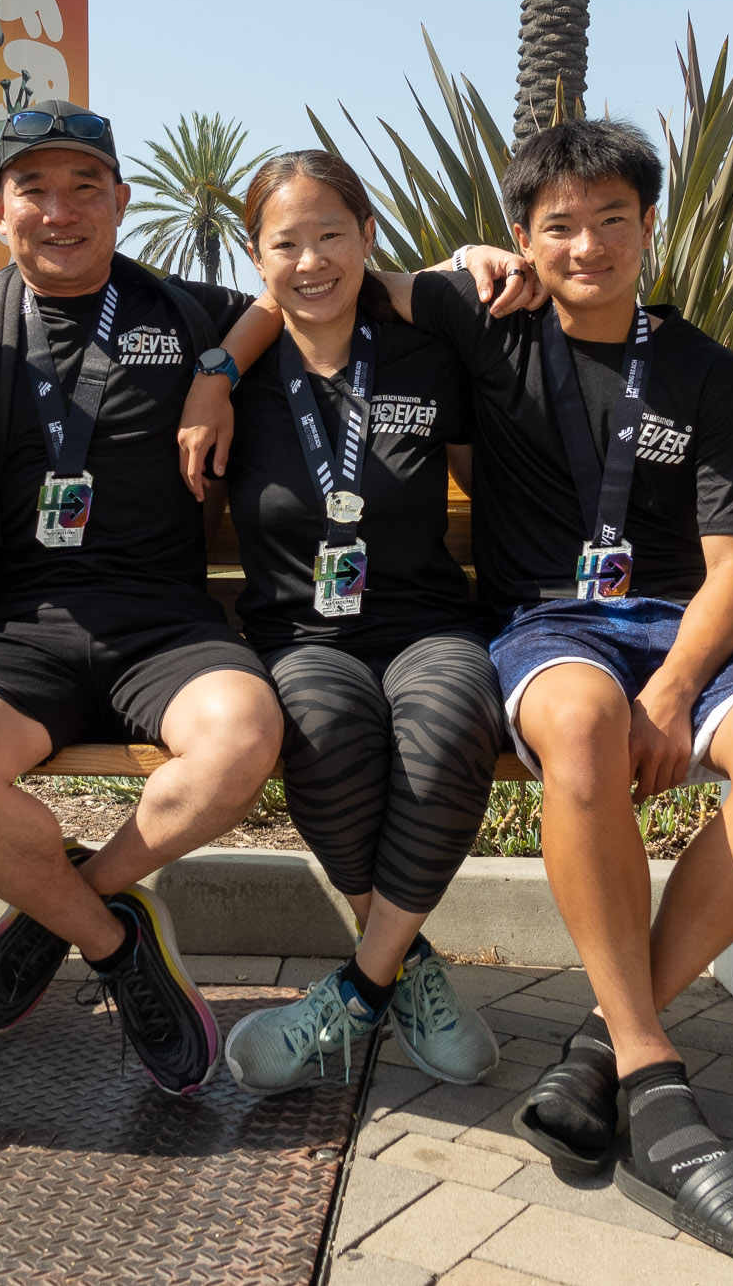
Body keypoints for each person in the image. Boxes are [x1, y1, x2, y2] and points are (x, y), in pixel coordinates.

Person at [0, 103, 542, 1098]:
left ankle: (58, 907)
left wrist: (223, 365)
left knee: (245, 734)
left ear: (121, 200)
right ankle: (117, 945)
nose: (58, 211)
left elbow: (302, 286)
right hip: (16, 630)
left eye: (83, 188)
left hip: (166, 624)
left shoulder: (187, 309)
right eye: (33, 189)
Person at [393, 120, 733, 1268]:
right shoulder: (483, 325)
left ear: (648, 226)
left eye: (611, 219)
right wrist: (455, 264)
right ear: (523, 237)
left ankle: (605, 1042)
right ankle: (652, 1074)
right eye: (558, 224)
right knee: (581, 722)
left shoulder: (700, 367)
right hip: (546, 623)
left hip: (680, 627)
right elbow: (332, 272)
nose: (586, 243)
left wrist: (680, 686)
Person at [214, 152, 504, 1095]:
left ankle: (358, 986)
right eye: (284, 243)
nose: (310, 261)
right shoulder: (236, 370)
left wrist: (477, 261)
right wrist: (211, 373)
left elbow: (504, 462)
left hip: (427, 621)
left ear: (369, 236)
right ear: (255, 259)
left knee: (452, 717)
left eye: (331, 234)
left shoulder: (427, 351)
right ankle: (408, 968)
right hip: (302, 635)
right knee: (327, 726)